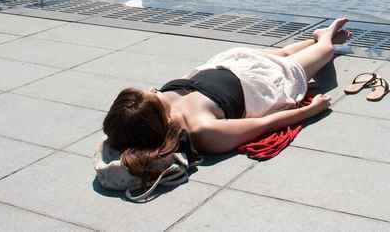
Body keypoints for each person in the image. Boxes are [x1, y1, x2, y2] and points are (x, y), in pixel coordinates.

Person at [102, 19, 354, 180]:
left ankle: (320, 38)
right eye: (153, 95)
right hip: (262, 81)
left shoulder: (156, 106)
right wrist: (312, 110)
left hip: (231, 63)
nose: (154, 89)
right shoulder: (202, 129)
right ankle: (325, 35)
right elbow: (264, 125)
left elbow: (123, 128)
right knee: (324, 51)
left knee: (286, 52)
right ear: (158, 118)